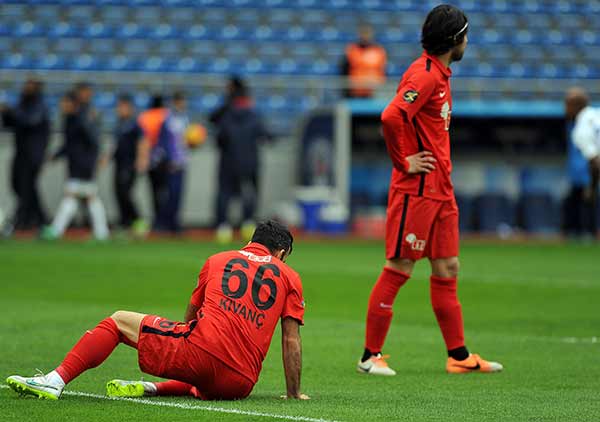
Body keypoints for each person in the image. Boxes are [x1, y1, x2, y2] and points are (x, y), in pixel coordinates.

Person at [6, 220, 308, 401]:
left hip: (200, 355)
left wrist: (193, 344)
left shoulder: (217, 260)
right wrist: (293, 393)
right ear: (281, 253)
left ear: (250, 241)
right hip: (240, 383)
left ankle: (54, 380)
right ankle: (151, 388)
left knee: (117, 321)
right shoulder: (290, 276)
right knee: (206, 372)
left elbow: (191, 314)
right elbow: (291, 340)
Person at [357, 4, 502, 376]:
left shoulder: (438, 74)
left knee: (448, 265)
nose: (467, 42)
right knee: (400, 266)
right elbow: (391, 115)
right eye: (465, 36)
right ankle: (370, 356)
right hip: (417, 190)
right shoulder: (424, 76)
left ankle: (458, 356)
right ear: (455, 40)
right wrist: (403, 161)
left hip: (441, 190)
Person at [42, 86, 109, 240]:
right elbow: (69, 144)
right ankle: (101, 232)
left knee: (78, 196)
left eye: (65, 103)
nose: (62, 106)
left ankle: (57, 230)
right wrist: (56, 155)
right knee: (87, 197)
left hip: (83, 165)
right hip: (77, 164)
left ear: (73, 104)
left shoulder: (81, 120)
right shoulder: (71, 119)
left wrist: (98, 157)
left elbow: (93, 141)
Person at [210, 76, 271, 243]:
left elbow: (219, 139)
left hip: (228, 162)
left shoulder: (225, 117)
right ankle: (248, 224)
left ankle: (223, 227)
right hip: (250, 162)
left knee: (224, 193)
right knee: (250, 193)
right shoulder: (253, 116)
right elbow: (267, 136)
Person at [0, 78, 50, 231]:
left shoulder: (40, 106)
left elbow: (30, 121)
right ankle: (41, 218)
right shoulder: (22, 105)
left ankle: (22, 220)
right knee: (18, 185)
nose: (25, 89)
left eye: (29, 86)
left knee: (26, 187)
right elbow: (11, 124)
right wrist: (5, 113)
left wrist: (10, 112)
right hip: (21, 153)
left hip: (33, 154)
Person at [563, 87, 600, 239]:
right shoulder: (596, 113)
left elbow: (595, 162)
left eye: (567, 105)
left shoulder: (581, 128)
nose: (565, 110)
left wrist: (592, 187)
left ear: (576, 106)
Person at [153, 92, 190, 233]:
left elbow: (185, 142)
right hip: (170, 164)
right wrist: (168, 159)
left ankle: (173, 222)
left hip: (181, 163)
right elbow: (164, 142)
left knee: (177, 195)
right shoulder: (168, 119)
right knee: (170, 194)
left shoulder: (185, 119)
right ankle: (163, 222)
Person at [112, 94, 146, 234]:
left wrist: (141, 159)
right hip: (119, 163)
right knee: (118, 192)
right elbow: (117, 144)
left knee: (125, 192)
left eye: (122, 106)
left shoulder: (134, 124)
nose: (119, 109)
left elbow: (142, 141)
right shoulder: (119, 124)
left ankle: (138, 219)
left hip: (129, 164)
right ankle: (125, 222)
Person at [137, 95, 170, 230]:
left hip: (151, 158)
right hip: (164, 159)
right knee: (165, 191)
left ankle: (157, 220)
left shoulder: (144, 117)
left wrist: (142, 158)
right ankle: (164, 220)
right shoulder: (166, 115)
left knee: (154, 191)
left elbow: (143, 139)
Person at [340, 25, 387, 98]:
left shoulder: (378, 51)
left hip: (374, 90)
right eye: (363, 33)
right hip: (355, 90)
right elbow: (344, 69)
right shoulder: (352, 50)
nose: (365, 36)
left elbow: (383, 69)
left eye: (367, 33)